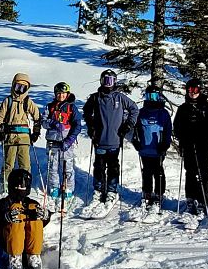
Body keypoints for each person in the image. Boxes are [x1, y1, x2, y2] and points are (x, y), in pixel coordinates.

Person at [82, 69, 138, 213]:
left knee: (113, 166)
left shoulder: (120, 97)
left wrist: (128, 125)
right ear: (101, 81)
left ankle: (112, 191)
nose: (108, 84)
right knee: (99, 166)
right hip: (100, 139)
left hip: (115, 139)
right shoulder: (95, 98)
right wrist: (91, 126)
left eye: (110, 81)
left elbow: (134, 109)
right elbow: (86, 112)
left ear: (115, 82)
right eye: (105, 80)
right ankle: (99, 190)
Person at [0, 168, 50, 269]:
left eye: (23, 185)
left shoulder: (31, 203)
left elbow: (42, 223)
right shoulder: (6, 202)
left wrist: (45, 215)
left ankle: (33, 257)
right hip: (10, 243)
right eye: (18, 185)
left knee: (34, 210)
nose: (20, 188)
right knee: (16, 210)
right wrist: (6, 217)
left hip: (29, 245)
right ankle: (15, 260)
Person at [125, 83, 172, 215]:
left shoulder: (163, 113)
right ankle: (147, 193)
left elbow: (168, 130)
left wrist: (165, 144)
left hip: (158, 149)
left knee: (158, 172)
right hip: (145, 148)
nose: (152, 98)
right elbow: (135, 129)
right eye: (149, 96)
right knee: (146, 172)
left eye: (154, 96)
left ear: (159, 96)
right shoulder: (141, 112)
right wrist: (135, 141)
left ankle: (159, 194)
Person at [172, 77, 208, 216]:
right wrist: (183, 137)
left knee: (203, 173)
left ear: (200, 90)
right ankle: (190, 199)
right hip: (188, 145)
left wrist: (203, 133)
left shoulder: (206, 107)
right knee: (190, 172)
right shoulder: (183, 108)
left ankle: (203, 201)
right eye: (190, 90)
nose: (193, 92)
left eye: (195, 90)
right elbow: (176, 127)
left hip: (202, 145)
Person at [0, 73, 42, 193]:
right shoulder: (8, 101)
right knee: (8, 163)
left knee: (24, 163)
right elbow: (0, 118)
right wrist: (0, 130)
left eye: (23, 87)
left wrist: (36, 132)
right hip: (10, 136)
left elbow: (37, 117)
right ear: (13, 86)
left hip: (24, 137)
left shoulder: (28, 102)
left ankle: (25, 184)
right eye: (17, 87)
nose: (20, 90)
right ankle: (5, 184)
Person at [43, 82, 82, 213]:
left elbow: (77, 125)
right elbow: (43, 121)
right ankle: (54, 187)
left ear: (67, 94)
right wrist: (52, 123)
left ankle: (68, 188)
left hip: (66, 141)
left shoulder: (71, 108)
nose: (61, 96)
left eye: (63, 93)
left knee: (67, 166)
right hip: (53, 141)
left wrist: (70, 140)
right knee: (53, 166)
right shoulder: (50, 107)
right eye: (58, 93)